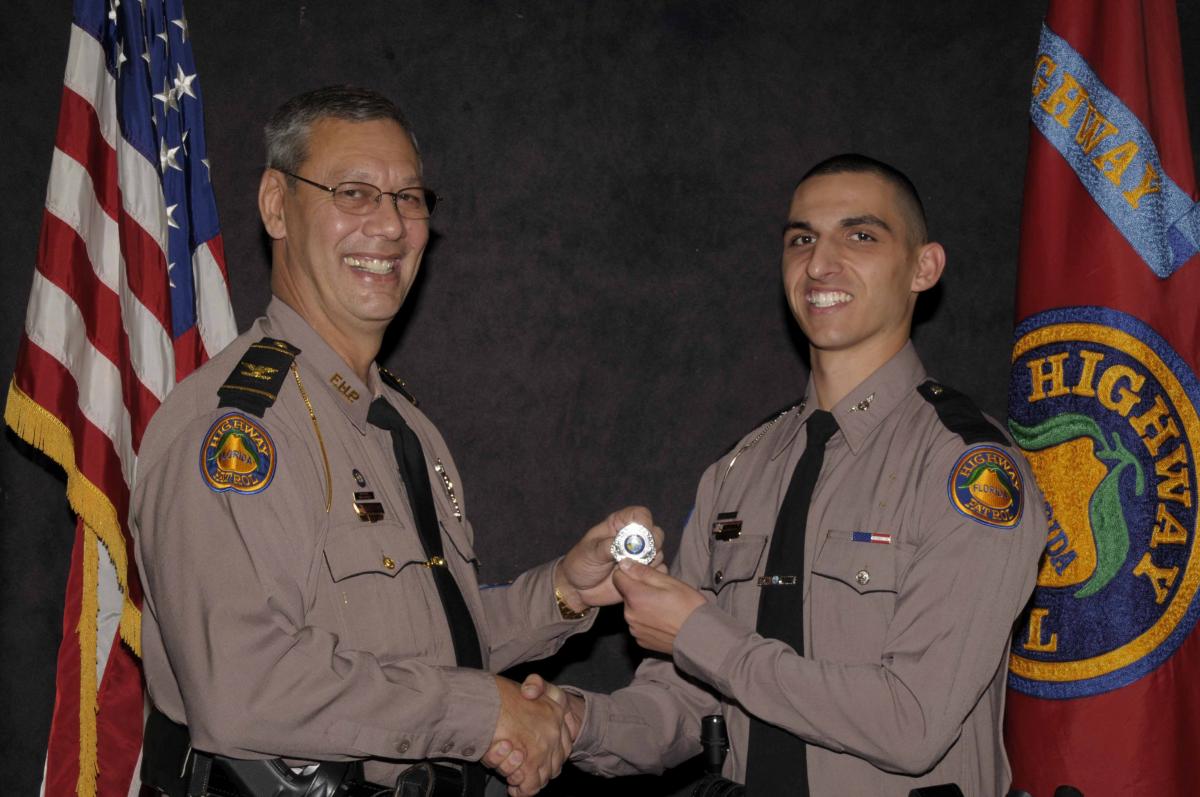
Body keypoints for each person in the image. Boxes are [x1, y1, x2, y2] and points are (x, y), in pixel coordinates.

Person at [131, 85, 657, 797]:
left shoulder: (401, 423)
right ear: (276, 205)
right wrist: (485, 714)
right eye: (353, 193)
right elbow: (246, 687)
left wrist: (561, 592)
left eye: (409, 198)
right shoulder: (239, 430)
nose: (389, 225)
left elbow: (422, 645)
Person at [522, 154, 1048, 795]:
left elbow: (912, 724)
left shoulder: (966, 469)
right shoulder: (739, 472)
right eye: (802, 239)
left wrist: (701, 634)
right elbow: (686, 705)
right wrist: (576, 723)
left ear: (924, 267)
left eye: (860, 235)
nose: (820, 264)